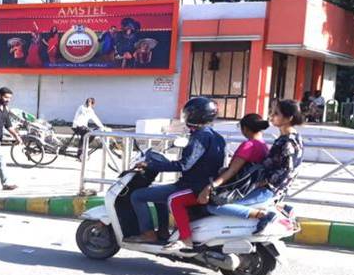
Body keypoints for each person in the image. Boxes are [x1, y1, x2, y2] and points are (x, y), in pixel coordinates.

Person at [125, 97, 226, 247]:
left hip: (192, 187)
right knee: (156, 194)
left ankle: (148, 234)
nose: (186, 116)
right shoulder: (217, 137)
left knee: (137, 196)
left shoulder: (200, 136)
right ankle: (163, 232)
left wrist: (151, 165)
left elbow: (184, 165)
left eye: (189, 113)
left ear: (197, 115)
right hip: (203, 184)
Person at [205, 100, 304, 233]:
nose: (272, 116)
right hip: (276, 190)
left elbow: (287, 170)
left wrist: (264, 183)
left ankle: (264, 215)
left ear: (288, 118)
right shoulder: (293, 138)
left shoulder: (287, 142)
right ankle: (283, 207)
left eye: (276, 113)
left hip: (268, 190)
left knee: (214, 206)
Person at [198, 113, 270, 205]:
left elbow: (232, 171)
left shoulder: (249, 145)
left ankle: (255, 214)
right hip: (251, 188)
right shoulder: (264, 146)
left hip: (238, 188)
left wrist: (211, 186)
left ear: (245, 129)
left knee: (212, 206)